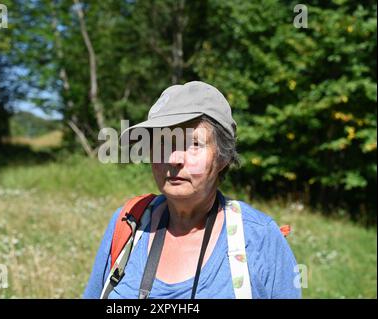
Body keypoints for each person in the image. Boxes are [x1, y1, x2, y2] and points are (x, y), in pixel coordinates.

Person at [83, 81, 301, 299]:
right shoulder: (129, 223)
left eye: (193, 144)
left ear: (223, 157)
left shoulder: (260, 238)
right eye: (163, 143)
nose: (174, 158)